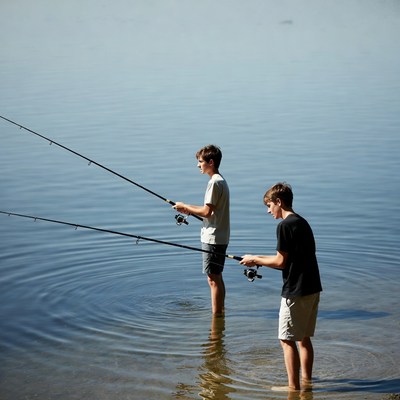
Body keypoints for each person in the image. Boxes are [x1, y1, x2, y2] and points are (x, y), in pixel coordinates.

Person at [239, 182, 322, 392]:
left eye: (269, 205)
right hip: (312, 287)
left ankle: (293, 388)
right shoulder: (302, 222)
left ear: (279, 202)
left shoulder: (284, 226)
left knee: (286, 339)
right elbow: (290, 260)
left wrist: (255, 258)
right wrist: (256, 260)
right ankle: (307, 382)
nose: (268, 210)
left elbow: (280, 262)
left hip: (295, 291)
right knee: (304, 338)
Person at [174, 145, 230, 315]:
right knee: (217, 277)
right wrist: (188, 209)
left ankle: (216, 316)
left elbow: (207, 211)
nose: (198, 165)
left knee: (212, 279)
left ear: (210, 162)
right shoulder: (221, 181)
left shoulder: (214, 183)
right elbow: (211, 212)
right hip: (220, 234)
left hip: (213, 237)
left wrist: (185, 206)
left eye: (200, 162)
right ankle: (220, 312)